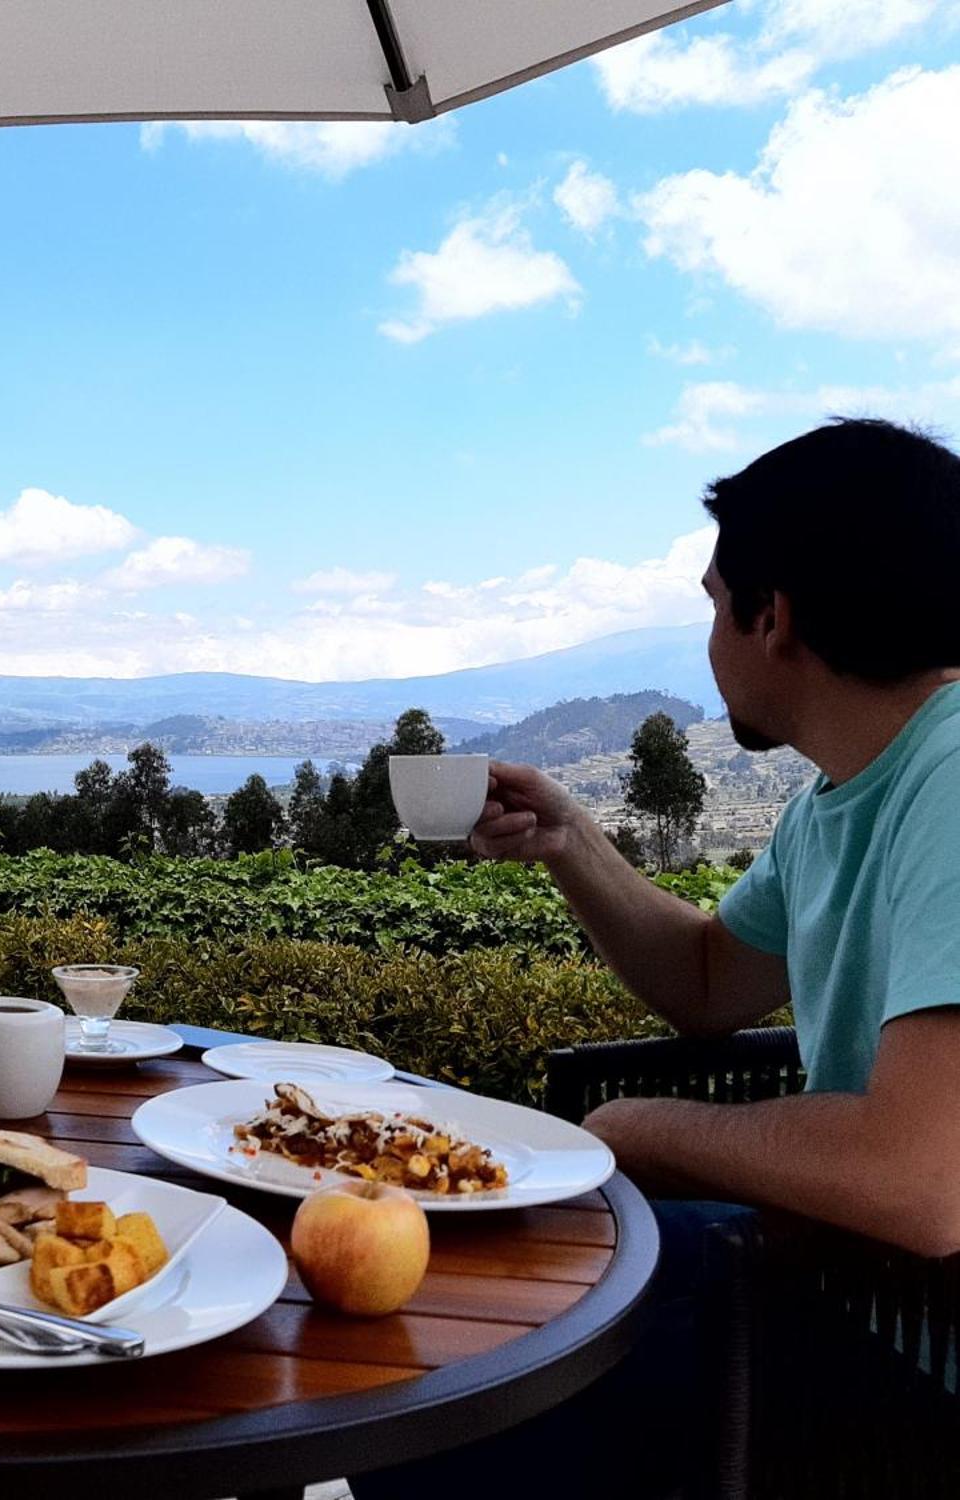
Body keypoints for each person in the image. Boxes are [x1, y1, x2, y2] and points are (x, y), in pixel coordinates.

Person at [353, 418, 960, 1499]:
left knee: (440, 1404)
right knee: (459, 1297)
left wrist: (633, 1130)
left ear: (768, 618)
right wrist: (567, 841)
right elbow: (706, 981)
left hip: (920, 1364)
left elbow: (920, 1180)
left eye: (710, 605)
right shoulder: (839, 797)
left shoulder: (953, 781)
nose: (708, 641)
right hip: (852, 1285)